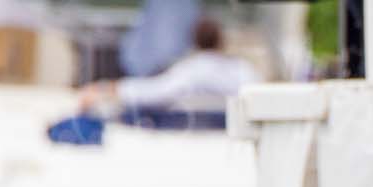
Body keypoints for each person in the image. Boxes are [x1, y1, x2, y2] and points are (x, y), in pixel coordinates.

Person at [76, 19, 254, 124]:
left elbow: (155, 92)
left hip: (192, 131)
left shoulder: (191, 71)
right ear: (221, 40)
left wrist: (104, 88)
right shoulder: (243, 70)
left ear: (195, 40)